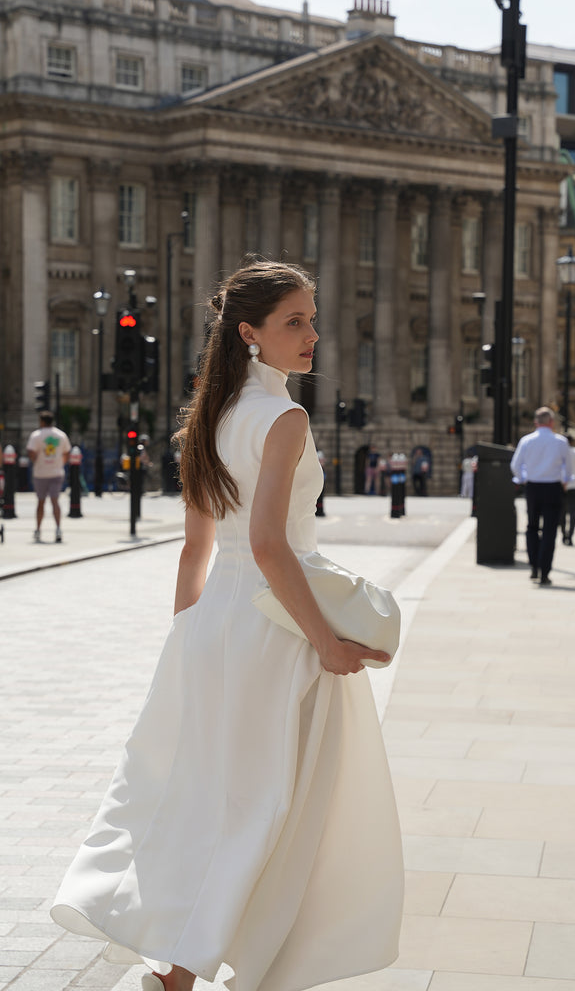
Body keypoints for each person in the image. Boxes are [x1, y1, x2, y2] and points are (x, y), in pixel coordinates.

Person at [51, 261, 404, 991]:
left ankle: (176, 970)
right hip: (276, 631)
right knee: (274, 807)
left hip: (215, 626)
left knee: (213, 797)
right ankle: (205, 969)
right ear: (250, 333)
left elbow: (198, 547)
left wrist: (187, 636)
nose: (312, 335)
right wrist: (328, 642)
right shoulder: (284, 417)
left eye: (311, 317)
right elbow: (274, 547)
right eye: (294, 322)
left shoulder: (211, 415)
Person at [510, 406, 569, 586]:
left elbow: (515, 464)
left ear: (536, 422)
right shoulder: (560, 441)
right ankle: (545, 571)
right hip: (553, 487)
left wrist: (523, 479)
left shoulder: (526, 441)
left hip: (533, 486)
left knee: (532, 527)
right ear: (551, 422)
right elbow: (568, 467)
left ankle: (534, 565)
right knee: (550, 531)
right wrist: (565, 481)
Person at [26, 409, 71, 543]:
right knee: (55, 501)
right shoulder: (61, 435)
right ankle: (58, 529)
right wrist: (59, 463)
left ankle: (38, 530)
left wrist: (37, 460)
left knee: (41, 502)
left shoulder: (36, 435)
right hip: (56, 472)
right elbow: (67, 453)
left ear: (41, 421)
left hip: (40, 473)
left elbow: (31, 452)